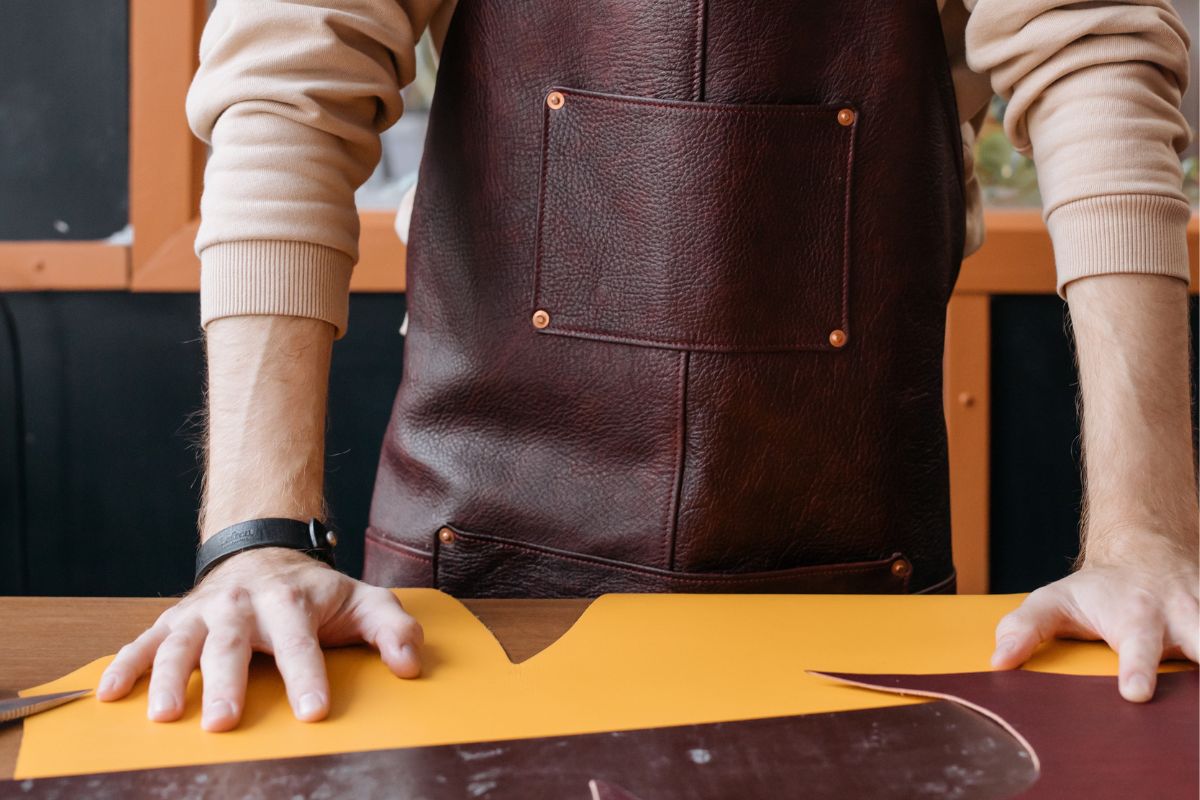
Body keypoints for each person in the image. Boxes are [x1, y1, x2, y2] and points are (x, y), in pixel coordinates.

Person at [97, 0, 1197, 733]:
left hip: (862, 605)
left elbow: (1090, 52)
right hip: (454, 618)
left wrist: (1145, 540)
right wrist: (257, 539)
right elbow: (291, 81)